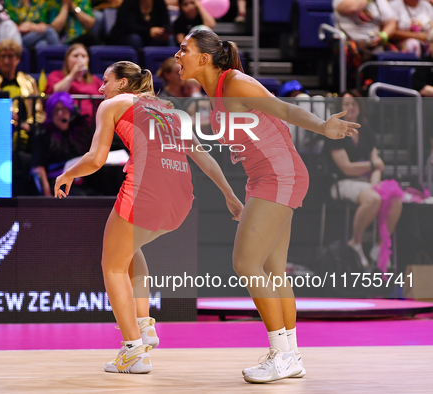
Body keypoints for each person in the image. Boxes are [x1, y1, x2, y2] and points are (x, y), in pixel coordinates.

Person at [174, 29, 359, 383]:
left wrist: (322, 126)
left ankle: (281, 355)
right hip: (267, 176)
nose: (178, 55)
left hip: (278, 175)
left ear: (204, 57)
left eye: (184, 49)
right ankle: (291, 355)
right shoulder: (215, 93)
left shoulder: (236, 84)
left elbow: (284, 109)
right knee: (274, 269)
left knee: (246, 263)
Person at [54, 60, 243, 373]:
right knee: (131, 250)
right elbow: (202, 156)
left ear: (124, 85)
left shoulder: (113, 105)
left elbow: (96, 159)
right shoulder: (170, 110)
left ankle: (133, 352)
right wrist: (229, 195)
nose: (100, 88)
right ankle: (145, 327)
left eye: (106, 81)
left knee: (112, 266)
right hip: (181, 200)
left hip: (145, 193)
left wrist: (67, 174)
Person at [324, 91, 402, 268]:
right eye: (346, 105)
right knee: (373, 198)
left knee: (395, 198)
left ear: (360, 108)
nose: (351, 108)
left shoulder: (367, 132)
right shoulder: (334, 133)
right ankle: (356, 242)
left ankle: (380, 246)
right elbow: (347, 168)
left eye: (354, 104)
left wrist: (375, 182)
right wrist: (373, 167)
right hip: (343, 182)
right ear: (339, 109)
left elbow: (377, 164)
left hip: (367, 182)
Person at [0, 39, 45, 195]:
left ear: (18, 59)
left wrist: (27, 124)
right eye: (3, 56)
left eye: (11, 56)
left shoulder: (28, 82)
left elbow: (38, 112)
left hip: (24, 134)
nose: (7, 61)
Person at [32, 92, 92, 196]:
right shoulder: (43, 134)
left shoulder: (80, 133)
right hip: (56, 183)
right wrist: (48, 197)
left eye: (64, 109)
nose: (60, 114)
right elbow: (39, 168)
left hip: (79, 182)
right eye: (56, 110)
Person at [333, 0, 398, 87]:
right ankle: (353, 90)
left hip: (374, 42)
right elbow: (353, 8)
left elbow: (391, 23)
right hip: (350, 41)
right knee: (349, 48)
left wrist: (383, 36)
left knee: (395, 53)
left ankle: (388, 91)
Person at [45, 43, 102, 123]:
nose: (80, 59)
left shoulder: (94, 80)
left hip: (90, 124)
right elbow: (56, 93)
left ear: (88, 60)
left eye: (83, 56)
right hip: (66, 123)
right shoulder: (56, 75)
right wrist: (72, 74)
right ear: (67, 60)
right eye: (75, 56)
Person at [107, 0, 172, 50]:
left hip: (150, 38)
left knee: (167, 39)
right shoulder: (129, 2)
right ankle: (136, 65)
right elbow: (127, 26)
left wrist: (162, 31)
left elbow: (166, 23)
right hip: (125, 37)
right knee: (135, 39)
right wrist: (149, 31)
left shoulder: (160, 3)